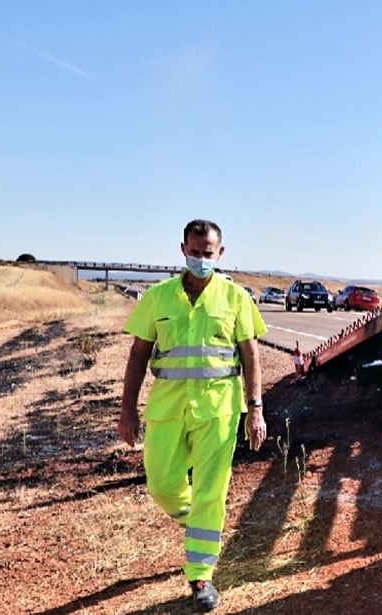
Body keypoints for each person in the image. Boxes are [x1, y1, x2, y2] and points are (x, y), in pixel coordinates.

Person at [118, 219, 268, 613]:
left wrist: (256, 408)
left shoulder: (236, 299)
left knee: (210, 491)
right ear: (182, 249)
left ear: (220, 254)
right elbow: (138, 354)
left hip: (219, 411)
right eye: (195, 252)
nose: (201, 259)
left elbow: (251, 354)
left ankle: (200, 573)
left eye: (208, 253)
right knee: (162, 484)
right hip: (168, 408)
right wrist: (126, 410)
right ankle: (201, 526)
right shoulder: (158, 297)